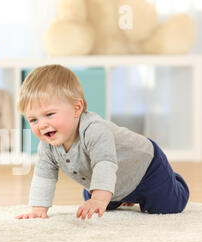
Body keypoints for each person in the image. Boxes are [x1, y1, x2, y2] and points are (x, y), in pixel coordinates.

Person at [15, 64, 189, 220]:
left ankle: (174, 181)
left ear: (77, 108)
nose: (42, 125)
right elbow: (44, 176)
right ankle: (123, 195)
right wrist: (38, 208)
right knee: (95, 202)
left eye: (49, 114)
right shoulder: (47, 146)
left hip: (146, 168)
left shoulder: (93, 129)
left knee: (166, 207)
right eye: (33, 120)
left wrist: (98, 199)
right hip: (115, 180)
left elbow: (104, 163)